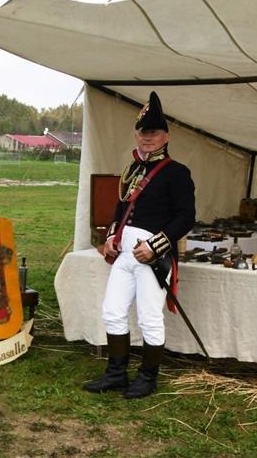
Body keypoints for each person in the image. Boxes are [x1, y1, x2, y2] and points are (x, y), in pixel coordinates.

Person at [83, 91, 196, 399]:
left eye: (154, 132)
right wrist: (111, 237)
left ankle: (147, 378)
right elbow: (121, 209)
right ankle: (116, 374)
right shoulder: (132, 169)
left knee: (149, 317)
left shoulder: (177, 173)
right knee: (112, 311)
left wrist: (155, 246)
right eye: (143, 132)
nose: (148, 138)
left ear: (166, 136)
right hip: (124, 254)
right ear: (136, 135)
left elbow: (186, 217)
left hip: (152, 257)